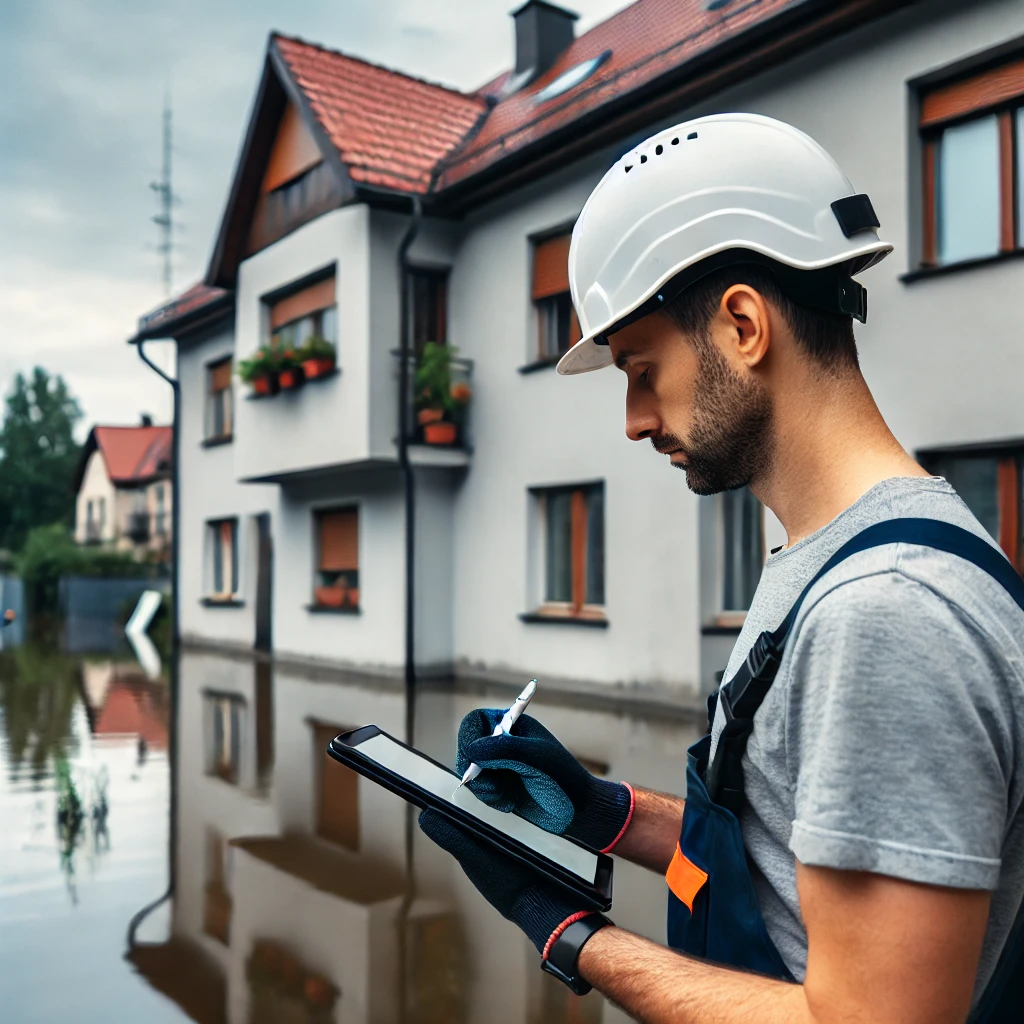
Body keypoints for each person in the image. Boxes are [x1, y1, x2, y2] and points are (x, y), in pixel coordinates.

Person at [419, 113, 1024, 1023]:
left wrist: (568, 934)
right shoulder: (823, 558)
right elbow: (779, 857)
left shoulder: (885, 614)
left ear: (742, 325)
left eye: (640, 368)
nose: (631, 418)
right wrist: (601, 811)